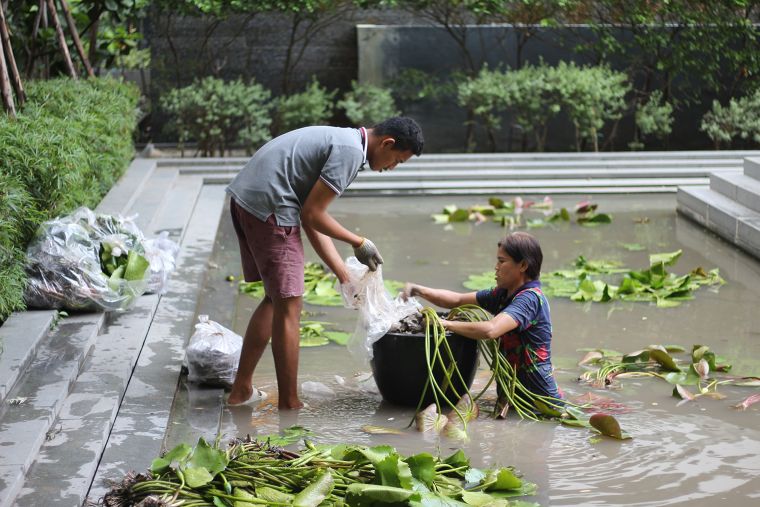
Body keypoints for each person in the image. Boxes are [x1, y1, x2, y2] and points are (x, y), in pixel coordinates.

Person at [225, 117, 424, 408]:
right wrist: (359, 242)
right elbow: (313, 215)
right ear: (387, 143)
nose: (392, 167)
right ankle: (289, 403)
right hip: (270, 206)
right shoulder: (351, 151)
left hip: (250, 199)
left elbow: (310, 217)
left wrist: (344, 274)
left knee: (275, 300)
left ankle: (242, 390)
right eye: (397, 160)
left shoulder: (345, 140)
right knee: (289, 305)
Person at [401, 231, 562, 405]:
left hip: (540, 403)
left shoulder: (530, 299)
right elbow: (457, 300)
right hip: (512, 399)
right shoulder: (502, 295)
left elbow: (491, 330)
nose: (496, 267)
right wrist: (418, 290)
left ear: (522, 265)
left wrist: (444, 324)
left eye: (502, 261)